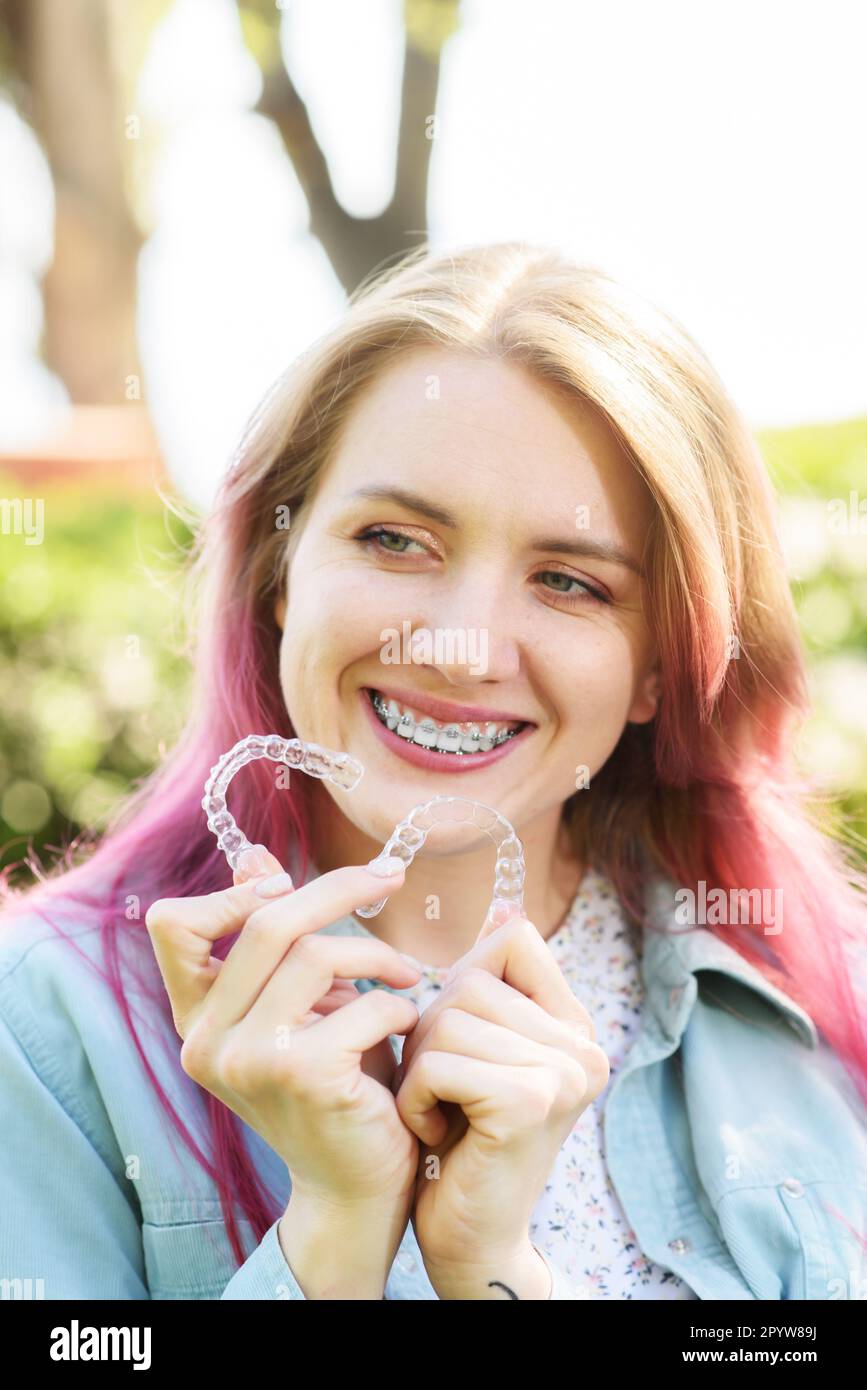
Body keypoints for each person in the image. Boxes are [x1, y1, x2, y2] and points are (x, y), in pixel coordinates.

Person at [1, 241, 866, 1301]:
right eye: (396, 540)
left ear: (657, 667)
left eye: (569, 581)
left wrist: (495, 1275)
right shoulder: (42, 1030)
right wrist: (331, 1233)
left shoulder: (825, 1008)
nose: (461, 646)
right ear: (280, 573)